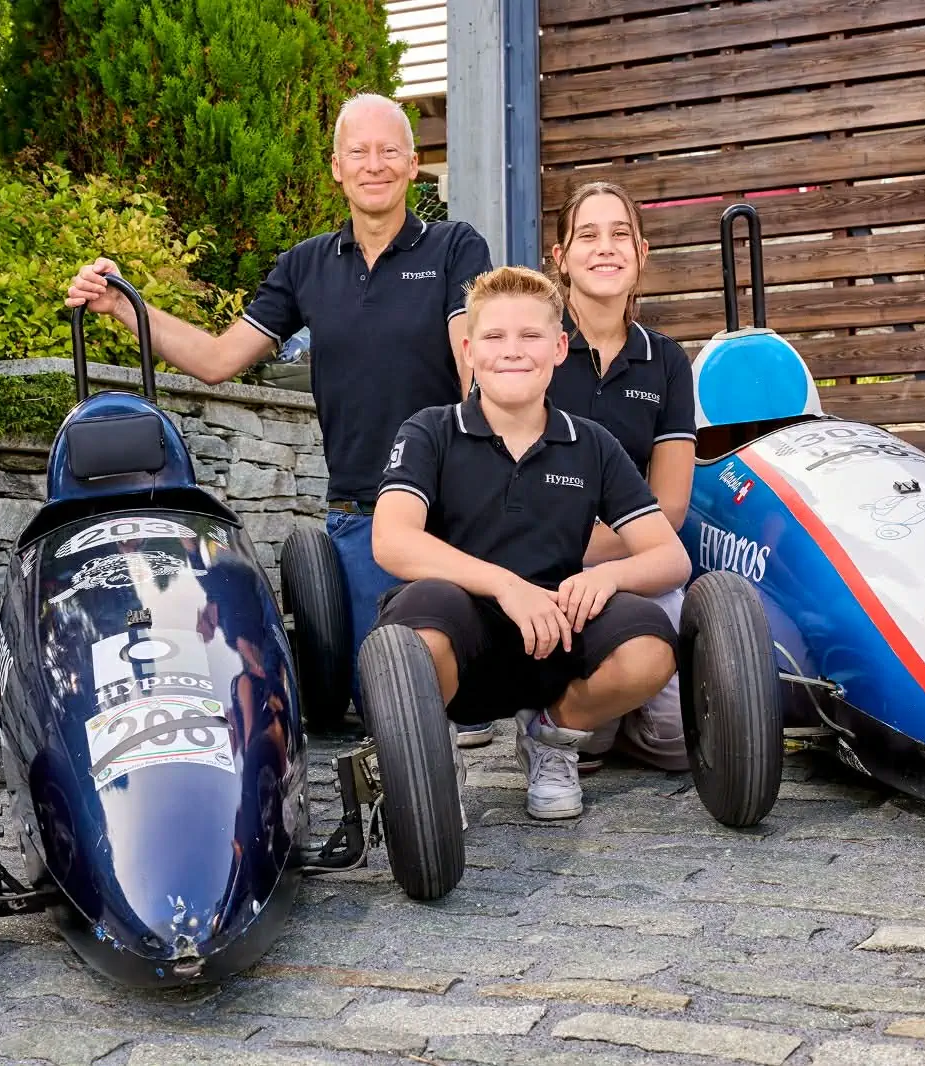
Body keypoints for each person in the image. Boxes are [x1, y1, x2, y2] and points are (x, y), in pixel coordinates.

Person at [65, 93, 497, 744]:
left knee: (452, 696)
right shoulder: (307, 266)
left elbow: (474, 359)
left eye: (388, 151)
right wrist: (125, 307)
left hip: (449, 513)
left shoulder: (455, 246)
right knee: (379, 693)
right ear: (335, 167)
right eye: (358, 151)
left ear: (414, 164)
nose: (373, 164)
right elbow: (215, 360)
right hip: (361, 520)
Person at [368, 265, 691, 820]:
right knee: (420, 621)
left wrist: (605, 576)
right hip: (463, 626)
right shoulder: (430, 430)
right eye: (494, 337)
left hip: (556, 626)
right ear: (469, 351)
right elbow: (391, 540)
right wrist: (506, 586)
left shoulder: (591, 444)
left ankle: (552, 736)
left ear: (559, 347)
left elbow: (670, 557)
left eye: (530, 336)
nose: (511, 351)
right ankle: (431, 755)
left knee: (649, 646)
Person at [546, 180, 696, 774]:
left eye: (619, 235)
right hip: (552, 574)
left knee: (675, 747)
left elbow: (672, 508)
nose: (604, 248)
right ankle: (567, 719)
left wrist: (613, 567)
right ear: (560, 258)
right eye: (588, 235)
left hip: (639, 563)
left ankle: (625, 715)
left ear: (641, 253)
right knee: (590, 743)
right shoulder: (536, 348)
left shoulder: (666, 361)